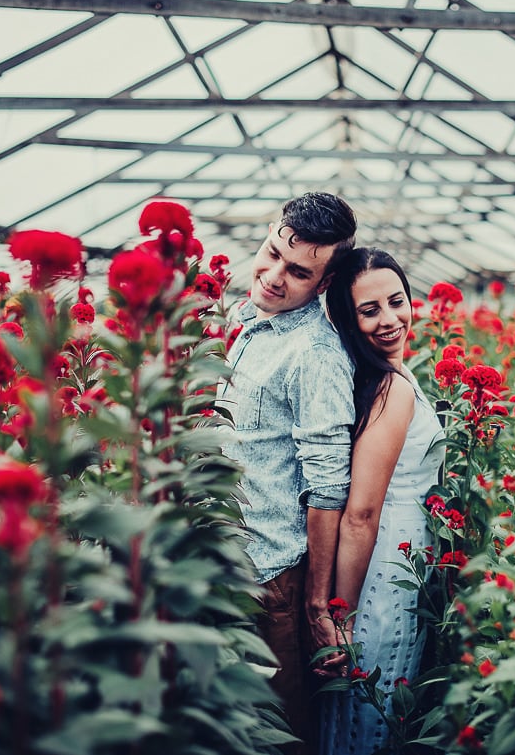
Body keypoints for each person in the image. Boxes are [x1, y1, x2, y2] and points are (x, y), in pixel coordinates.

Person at [217, 192, 358, 755]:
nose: (274, 276)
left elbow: (328, 488)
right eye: (272, 253)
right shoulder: (244, 321)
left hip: (267, 579)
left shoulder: (314, 354)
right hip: (219, 565)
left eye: (298, 272)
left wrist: (316, 603)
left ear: (323, 285)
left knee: (275, 731)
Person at [320, 248, 445, 755]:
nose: (390, 319)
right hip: (385, 568)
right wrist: (343, 616)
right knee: (374, 699)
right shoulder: (390, 388)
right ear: (349, 321)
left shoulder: (383, 377)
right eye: (369, 311)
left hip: (396, 561)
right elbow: (361, 514)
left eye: (396, 301)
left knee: (369, 701)